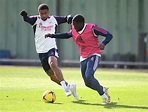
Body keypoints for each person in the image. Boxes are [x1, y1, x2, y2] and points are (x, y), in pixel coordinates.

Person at [45, 14, 113, 104]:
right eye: (72, 24)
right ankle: (103, 89)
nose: (73, 26)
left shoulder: (92, 28)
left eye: (75, 24)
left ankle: (105, 97)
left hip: (94, 54)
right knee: (87, 83)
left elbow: (109, 35)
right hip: (83, 57)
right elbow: (66, 35)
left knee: (89, 76)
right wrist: (52, 35)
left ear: (81, 23)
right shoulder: (74, 29)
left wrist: (104, 43)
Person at [20, 4, 78, 100]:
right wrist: (24, 16)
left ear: (49, 12)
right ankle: (70, 86)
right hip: (41, 51)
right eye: (41, 13)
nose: (43, 16)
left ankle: (65, 88)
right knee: (52, 77)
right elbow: (28, 19)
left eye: (45, 13)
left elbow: (66, 18)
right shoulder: (36, 20)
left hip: (51, 48)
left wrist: (69, 18)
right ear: (39, 13)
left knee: (53, 64)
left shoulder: (53, 19)